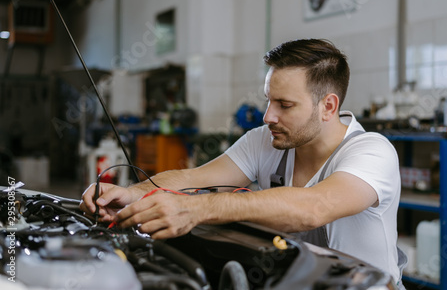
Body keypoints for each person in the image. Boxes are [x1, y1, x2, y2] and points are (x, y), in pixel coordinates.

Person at [80, 38, 405, 288]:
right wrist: (133, 195)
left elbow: (313, 208)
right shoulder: (265, 139)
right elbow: (193, 178)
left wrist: (195, 209)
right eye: (268, 100)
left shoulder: (372, 152)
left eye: (284, 105)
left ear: (328, 106)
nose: (268, 116)